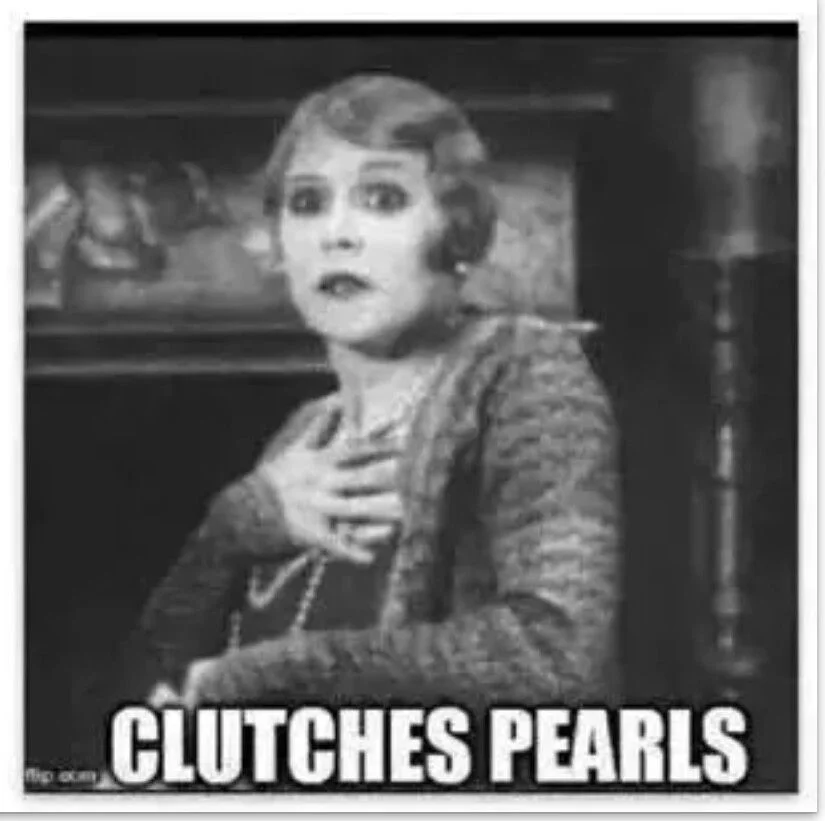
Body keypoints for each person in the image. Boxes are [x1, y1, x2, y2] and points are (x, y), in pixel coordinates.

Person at [110, 74, 621, 721]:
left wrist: (267, 675)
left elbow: (556, 654)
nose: (337, 234)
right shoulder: (304, 433)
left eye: (382, 198)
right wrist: (231, 525)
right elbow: (143, 688)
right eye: (306, 202)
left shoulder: (524, 374)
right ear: (280, 247)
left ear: (458, 230)